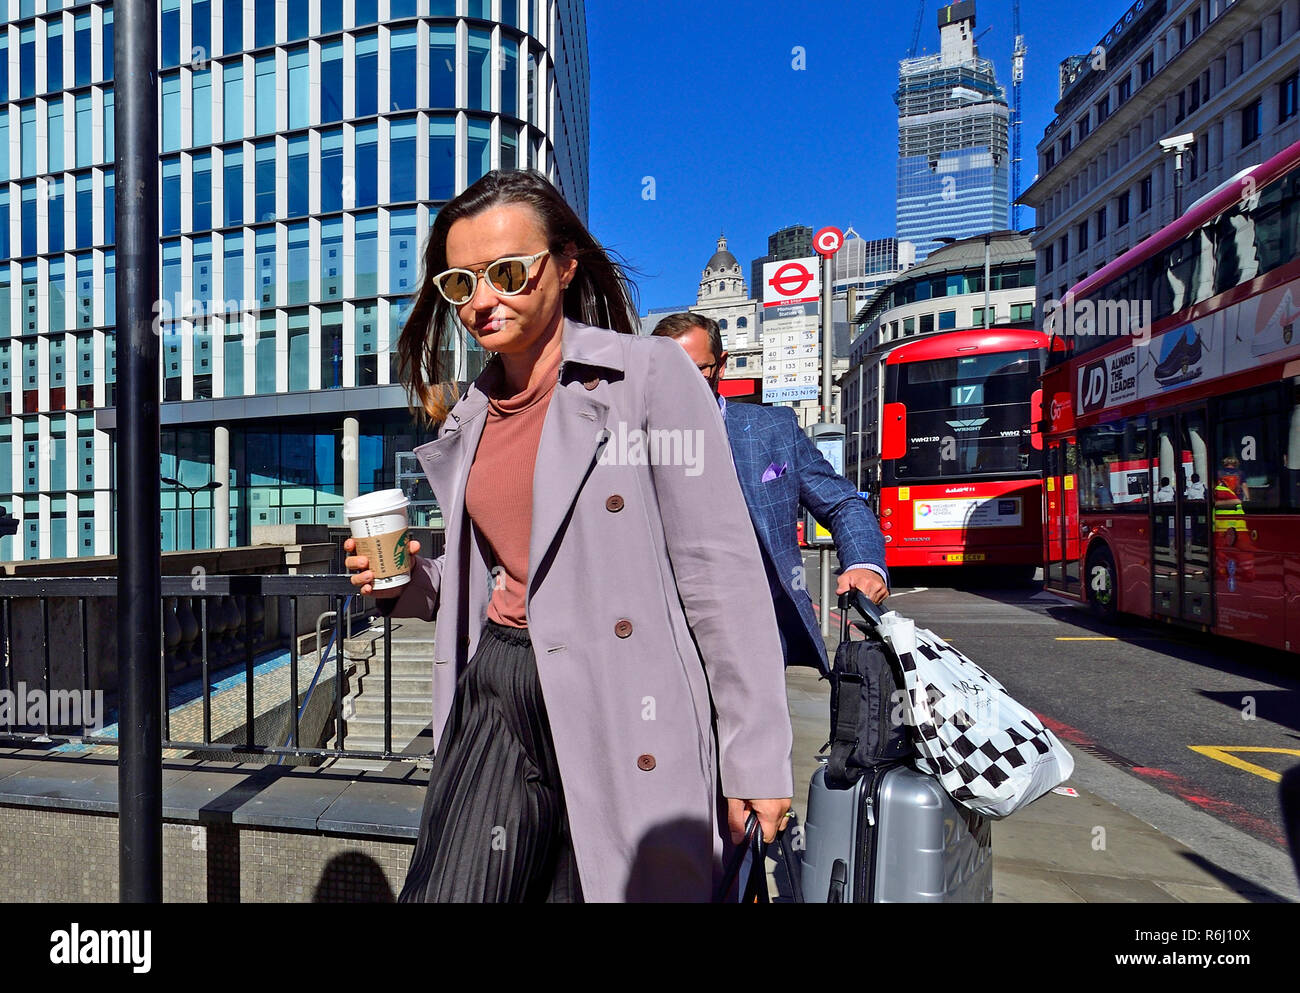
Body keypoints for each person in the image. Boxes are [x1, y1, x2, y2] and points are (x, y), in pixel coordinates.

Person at [344, 171, 793, 903]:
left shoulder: (645, 377)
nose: (483, 301)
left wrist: (757, 753)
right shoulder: (473, 414)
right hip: (500, 683)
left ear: (565, 264)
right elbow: (492, 568)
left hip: (621, 693)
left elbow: (722, 571)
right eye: (461, 285)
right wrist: (406, 581)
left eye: (509, 273)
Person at [652, 312, 888, 674]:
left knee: (759, 731)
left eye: (697, 369)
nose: (684, 384)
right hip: (662, 636)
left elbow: (842, 503)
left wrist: (863, 564)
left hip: (757, 631)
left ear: (722, 366)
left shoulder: (772, 429)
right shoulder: (630, 437)